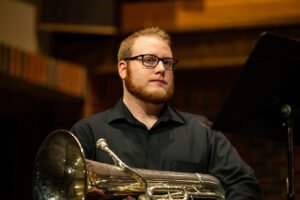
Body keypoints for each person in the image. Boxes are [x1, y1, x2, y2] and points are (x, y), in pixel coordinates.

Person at [71, 27, 263, 199]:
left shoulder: (203, 132)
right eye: (149, 60)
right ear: (123, 68)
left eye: (168, 62)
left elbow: (245, 186)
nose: (162, 69)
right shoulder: (89, 132)